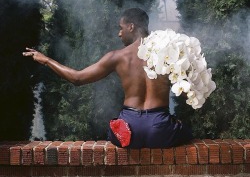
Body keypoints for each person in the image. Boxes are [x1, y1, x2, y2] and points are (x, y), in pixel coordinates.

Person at [23, 8, 193, 148]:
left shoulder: (117, 57)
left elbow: (77, 78)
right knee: (185, 131)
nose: (119, 34)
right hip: (159, 127)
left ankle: (121, 128)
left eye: (121, 28)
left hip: (130, 125)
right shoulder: (169, 53)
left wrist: (46, 60)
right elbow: (186, 94)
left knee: (120, 129)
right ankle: (164, 128)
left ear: (131, 27)